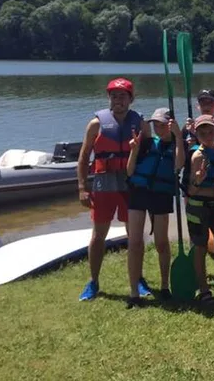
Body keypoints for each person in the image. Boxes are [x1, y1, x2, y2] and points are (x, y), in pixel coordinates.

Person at [77, 78, 148, 301]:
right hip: (103, 183)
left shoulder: (140, 123)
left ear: (131, 99)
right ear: (109, 98)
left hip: (131, 183)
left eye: (123, 96)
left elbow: (150, 151)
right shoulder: (96, 124)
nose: (118, 100)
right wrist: (82, 187)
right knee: (98, 236)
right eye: (114, 96)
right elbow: (83, 156)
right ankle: (94, 281)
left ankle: (138, 278)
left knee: (134, 236)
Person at [125, 108, 184, 307]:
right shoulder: (147, 143)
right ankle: (134, 292)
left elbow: (178, 165)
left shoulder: (177, 144)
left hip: (161, 194)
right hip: (139, 192)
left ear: (171, 124)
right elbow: (130, 171)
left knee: (161, 242)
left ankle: (165, 285)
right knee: (134, 242)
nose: (158, 128)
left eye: (162, 124)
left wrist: (178, 136)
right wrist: (133, 151)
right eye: (156, 125)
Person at [186, 114, 214, 302]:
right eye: (202, 132)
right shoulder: (197, 155)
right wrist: (198, 178)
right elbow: (190, 189)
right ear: (196, 134)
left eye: (210, 131)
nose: (207, 135)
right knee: (200, 247)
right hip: (198, 206)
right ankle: (204, 289)